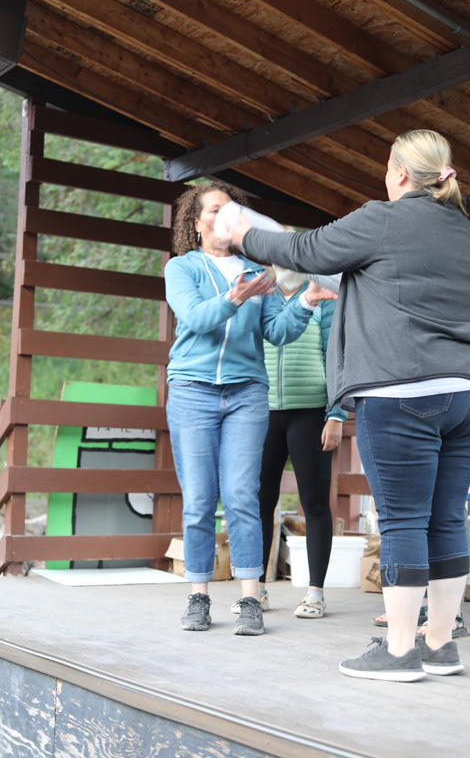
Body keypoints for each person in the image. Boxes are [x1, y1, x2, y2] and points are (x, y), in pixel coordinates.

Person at [224, 129, 470, 679]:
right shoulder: (462, 229)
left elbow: (304, 250)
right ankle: (439, 644)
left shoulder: (382, 218)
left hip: (403, 390)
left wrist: (243, 234)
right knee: (446, 517)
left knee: (403, 520)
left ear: (400, 172)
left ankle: (398, 651)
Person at [164, 181, 333, 637]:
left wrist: (305, 302)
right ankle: (199, 596)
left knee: (242, 496)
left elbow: (277, 331)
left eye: (230, 211)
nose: (223, 218)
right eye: (214, 211)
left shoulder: (259, 272)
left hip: (246, 395)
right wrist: (235, 297)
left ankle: (250, 598)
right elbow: (196, 318)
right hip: (193, 392)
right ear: (196, 223)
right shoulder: (182, 268)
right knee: (200, 500)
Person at [231, 260, 347, 619]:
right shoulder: (261, 296)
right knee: (259, 502)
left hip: (311, 412)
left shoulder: (321, 296)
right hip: (260, 411)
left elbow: (337, 355)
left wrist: (337, 414)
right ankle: (256, 591)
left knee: (314, 503)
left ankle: (315, 593)